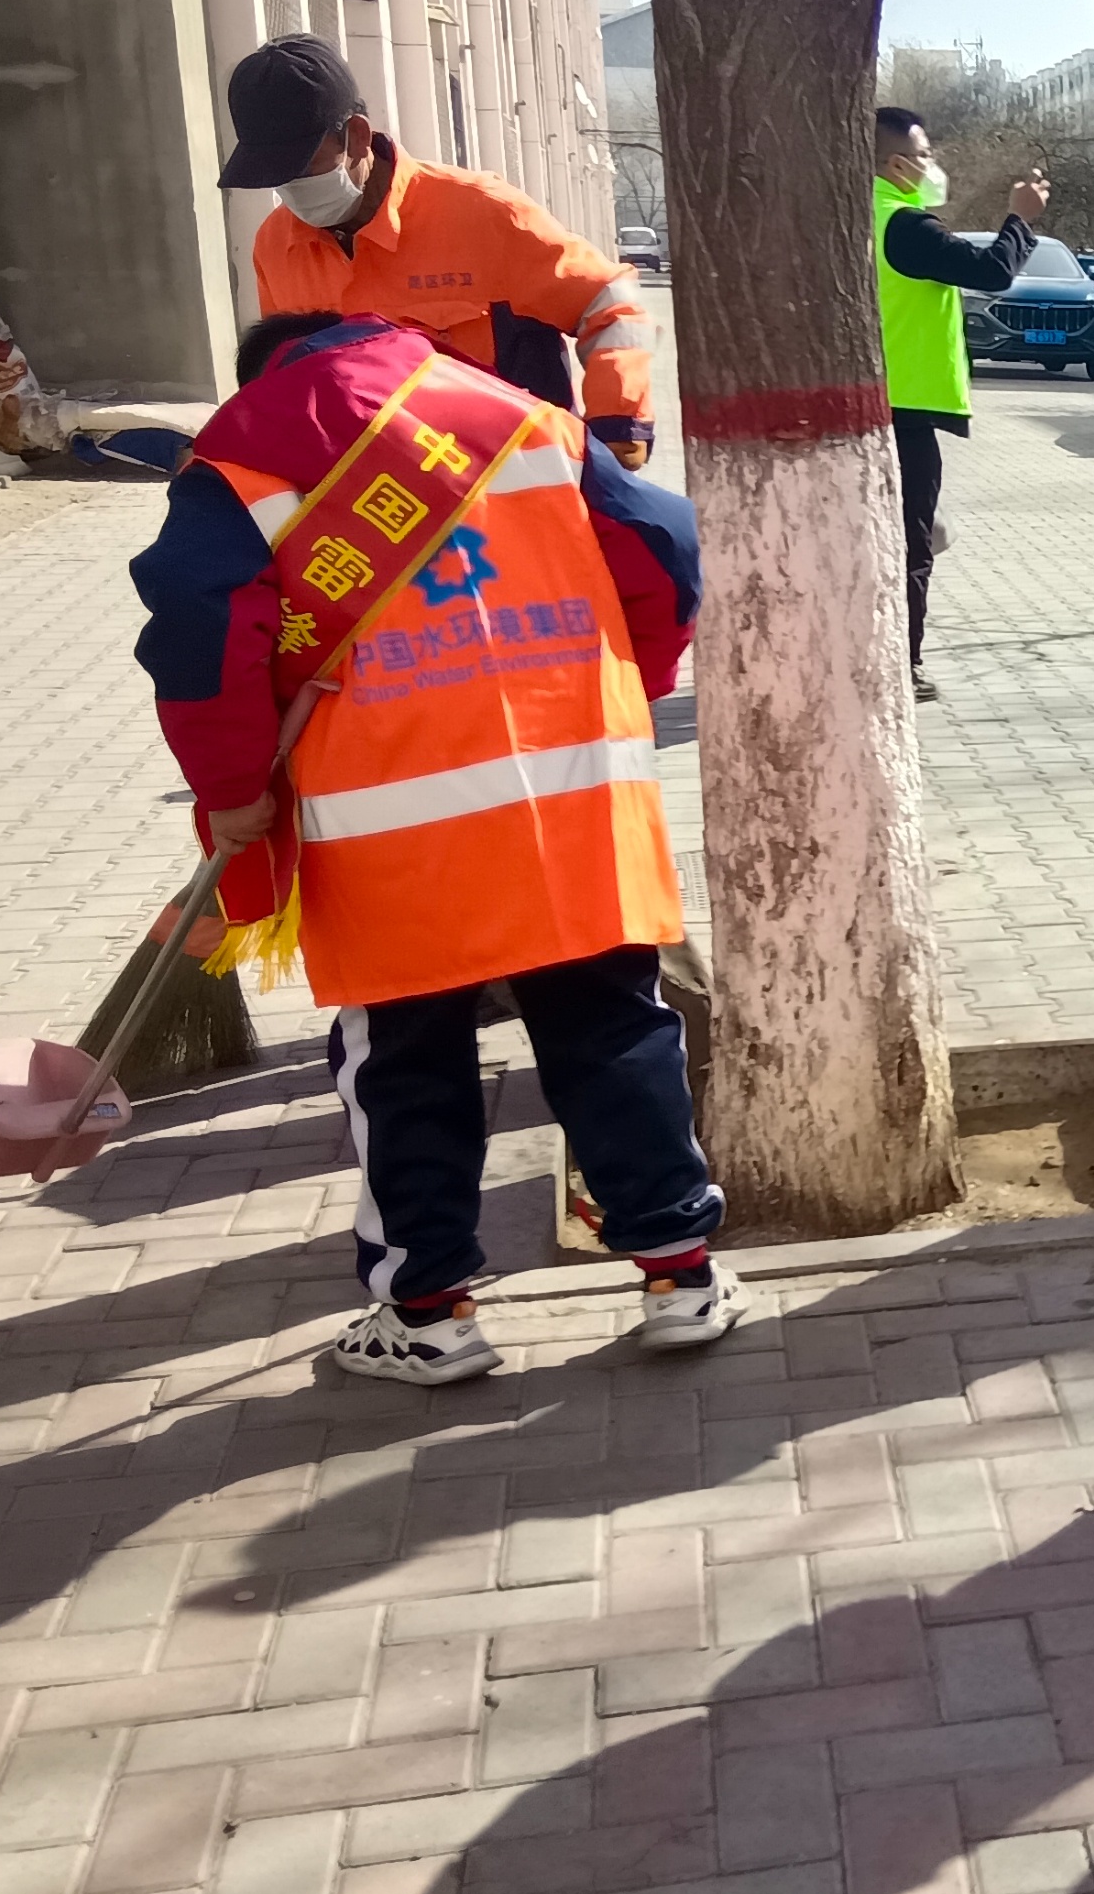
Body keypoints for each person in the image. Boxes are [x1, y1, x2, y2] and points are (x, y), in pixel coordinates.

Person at [130, 308, 731, 1384]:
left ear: (265, 374)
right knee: (609, 1028)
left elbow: (197, 627)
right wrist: (630, 679)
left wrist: (231, 788)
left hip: (387, 822)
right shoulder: (526, 416)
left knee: (406, 1061)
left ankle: (429, 1314)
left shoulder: (243, 451)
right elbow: (662, 543)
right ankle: (680, 1279)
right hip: (568, 792)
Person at [218, 34, 659, 469]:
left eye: (302, 167)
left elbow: (609, 302)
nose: (292, 188)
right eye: (275, 176)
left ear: (357, 137)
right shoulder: (276, 246)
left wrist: (618, 423)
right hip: (375, 496)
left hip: (511, 482)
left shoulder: (481, 213)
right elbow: (283, 381)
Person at [873, 108, 1052, 701]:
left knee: (895, 538)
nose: (933, 166)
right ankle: (901, 666)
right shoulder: (903, 225)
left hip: (863, 404)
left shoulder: (854, 216)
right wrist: (1020, 219)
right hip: (902, 410)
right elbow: (992, 271)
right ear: (897, 164)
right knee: (910, 545)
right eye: (925, 155)